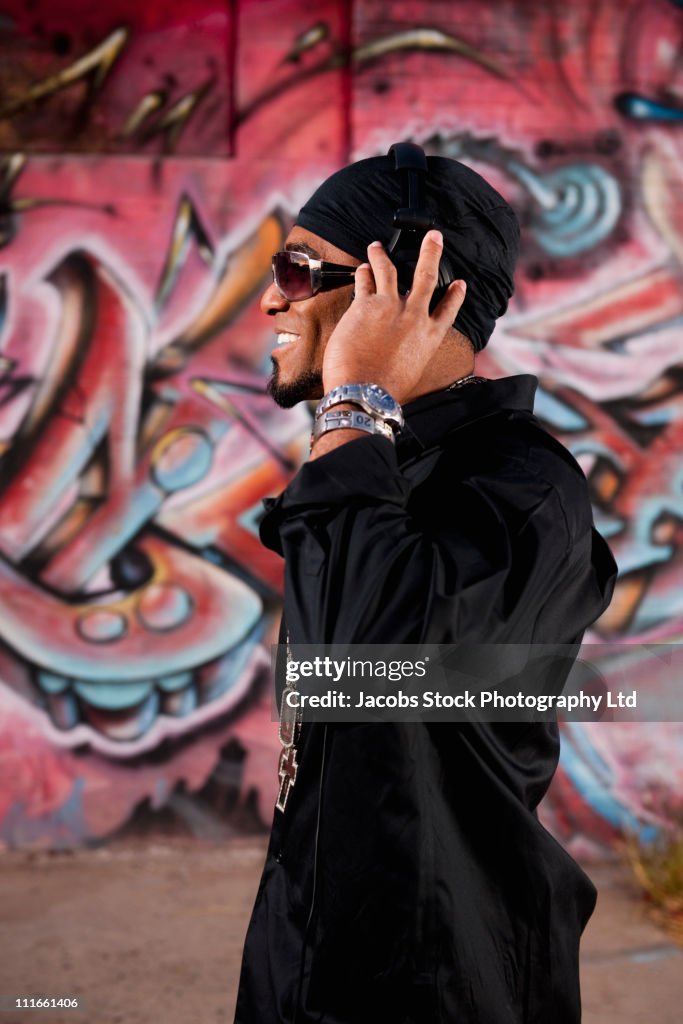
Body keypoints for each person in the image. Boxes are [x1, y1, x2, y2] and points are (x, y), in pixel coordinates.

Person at [233, 146, 617, 1024]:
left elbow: (363, 662)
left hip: (441, 980)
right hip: (310, 955)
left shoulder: (522, 495)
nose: (267, 300)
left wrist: (359, 397)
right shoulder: (384, 462)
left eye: (295, 271)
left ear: (402, 292)